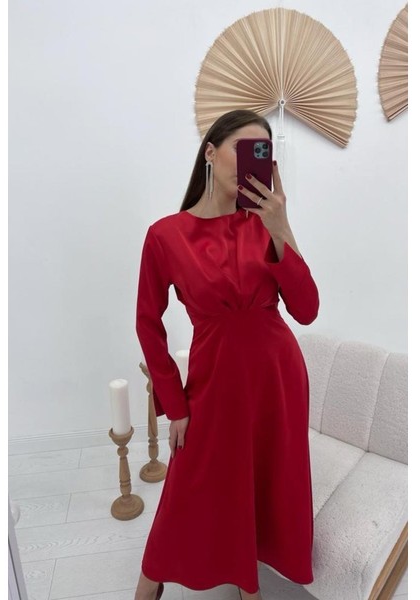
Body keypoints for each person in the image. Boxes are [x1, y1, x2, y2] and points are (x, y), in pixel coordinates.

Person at [134, 109, 319, 600]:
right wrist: (175, 405)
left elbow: (306, 310)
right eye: (243, 148)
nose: (251, 160)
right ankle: (150, 580)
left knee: (263, 479)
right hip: (214, 380)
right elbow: (147, 324)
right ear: (211, 152)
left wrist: (281, 227)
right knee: (190, 482)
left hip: (277, 378)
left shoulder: (266, 224)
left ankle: (247, 583)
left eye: (261, 151)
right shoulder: (165, 235)